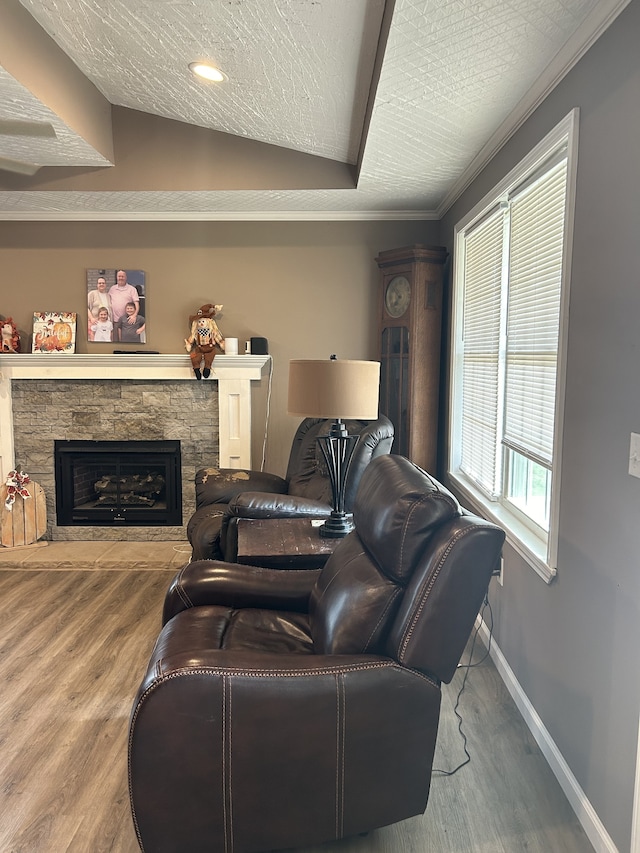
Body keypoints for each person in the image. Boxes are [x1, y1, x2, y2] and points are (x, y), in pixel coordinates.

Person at [87, 276, 111, 341]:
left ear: (105, 285)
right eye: (99, 283)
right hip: (95, 322)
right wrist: (91, 318)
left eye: (103, 283)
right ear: (97, 285)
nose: (101, 284)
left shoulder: (108, 295)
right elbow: (85, 307)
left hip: (106, 323)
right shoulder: (92, 294)